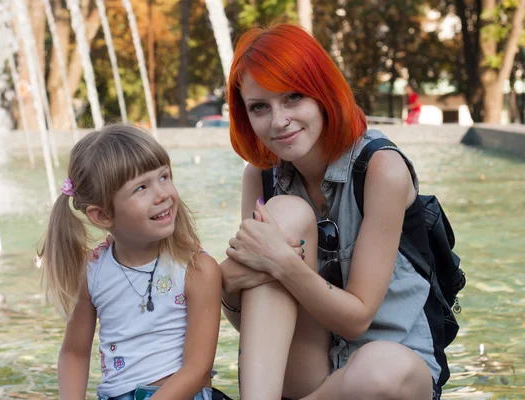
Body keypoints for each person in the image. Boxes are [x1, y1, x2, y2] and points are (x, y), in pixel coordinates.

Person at [220, 24, 441, 400]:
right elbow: (253, 322)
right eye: (260, 107)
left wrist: (281, 263)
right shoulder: (261, 178)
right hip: (307, 369)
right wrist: (226, 284)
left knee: (376, 371)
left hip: (387, 373)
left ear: (322, 91)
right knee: (286, 213)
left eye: (293, 98)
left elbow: (357, 320)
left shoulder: (381, 169)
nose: (278, 121)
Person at [39, 124, 222, 400]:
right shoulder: (92, 273)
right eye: (141, 188)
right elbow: (74, 353)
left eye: (164, 176)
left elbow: (197, 368)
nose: (162, 194)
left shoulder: (196, 269)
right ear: (102, 215)